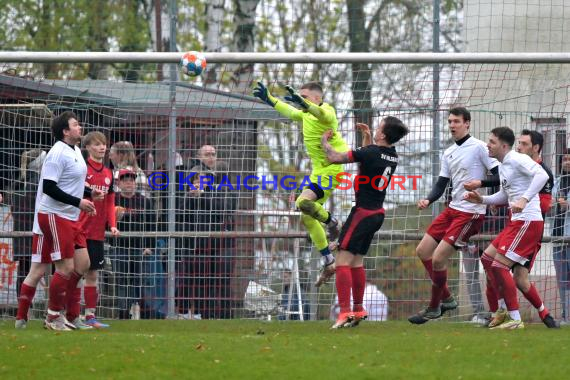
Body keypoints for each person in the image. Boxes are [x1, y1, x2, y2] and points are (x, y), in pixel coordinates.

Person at [408, 107, 499, 324]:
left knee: (439, 258)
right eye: (449, 122)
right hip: (452, 209)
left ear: (467, 123)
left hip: (471, 213)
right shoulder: (448, 152)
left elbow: (500, 176)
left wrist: (481, 185)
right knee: (423, 251)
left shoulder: (479, 148)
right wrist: (428, 199)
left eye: (456, 121)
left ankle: (433, 308)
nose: (452, 125)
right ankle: (447, 298)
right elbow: (441, 183)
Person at [15, 111, 102, 330]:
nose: (80, 127)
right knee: (60, 267)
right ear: (65, 131)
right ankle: (52, 316)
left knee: (82, 264)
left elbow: (71, 183)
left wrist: (90, 193)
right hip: (54, 215)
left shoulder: (75, 151)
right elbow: (50, 187)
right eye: (75, 125)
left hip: (70, 216)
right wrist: (79, 202)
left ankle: (70, 315)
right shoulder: (56, 153)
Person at [253, 81, 348, 279]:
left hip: (333, 170)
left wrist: (306, 105)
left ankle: (333, 223)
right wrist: (269, 98)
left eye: (303, 97)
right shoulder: (304, 115)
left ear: (317, 98)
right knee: (306, 214)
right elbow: (288, 110)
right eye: (299, 97)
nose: (299, 100)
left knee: (303, 202)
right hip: (318, 172)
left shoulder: (327, 112)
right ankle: (329, 260)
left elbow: (322, 114)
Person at [321, 116, 409, 328]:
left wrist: (323, 141)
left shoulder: (371, 152)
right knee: (356, 262)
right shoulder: (392, 155)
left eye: (379, 128)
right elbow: (370, 157)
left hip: (362, 213)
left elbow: (334, 157)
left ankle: (344, 313)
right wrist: (368, 137)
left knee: (342, 261)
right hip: (377, 213)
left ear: (384, 134)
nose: (377, 129)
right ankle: (359, 309)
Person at [465, 129, 558, 328]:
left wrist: (524, 200)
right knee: (487, 259)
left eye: (491, 141)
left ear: (503, 146)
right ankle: (502, 310)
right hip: (516, 222)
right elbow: (504, 196)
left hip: (528, 222)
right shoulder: (504, 165)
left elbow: (541, 175)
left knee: (502, 267)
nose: (487, 145)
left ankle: (515, 319)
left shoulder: (516, 159)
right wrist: (481, 199)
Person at [75, 131, 119, 328]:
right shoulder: (82, 170)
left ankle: (90, 316)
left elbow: (110, 203)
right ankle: (69, 313)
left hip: (96, 232)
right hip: (78, 228)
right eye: (97, 144)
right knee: (75, 272)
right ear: (88, 147)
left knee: (93, 274)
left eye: (104, 144)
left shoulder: (109, 173)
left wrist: (112, 225)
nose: (102, 147)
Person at [113, 169, 155, 319]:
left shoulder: (145, 201)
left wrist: (150, 246)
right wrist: (116, 218)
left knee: (139, 280)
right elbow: (105, 224)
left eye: (131, 180)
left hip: (140, 247)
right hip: (119, 247)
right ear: (118, 183)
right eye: (125, 180)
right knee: (122, 280)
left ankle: (137, 310)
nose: (129, 183)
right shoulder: (113, 200)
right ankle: (123, 313)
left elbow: (152, 225)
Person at [5, 149, 46, 293]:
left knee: (24, 272)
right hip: (39, 231)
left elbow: (12, 207)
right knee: (53, 269)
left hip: (21, 233)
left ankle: (24, 308)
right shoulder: (40, 183)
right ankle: (55, 308)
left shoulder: (18, 183)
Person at [553, 149, 570, 323]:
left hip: (569, 237)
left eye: (569, 159)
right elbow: (550, 204)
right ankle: (565, 315)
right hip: (557, 236)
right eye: (564, 159)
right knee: (562, 279)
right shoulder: (557, 182)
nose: (566, 162)